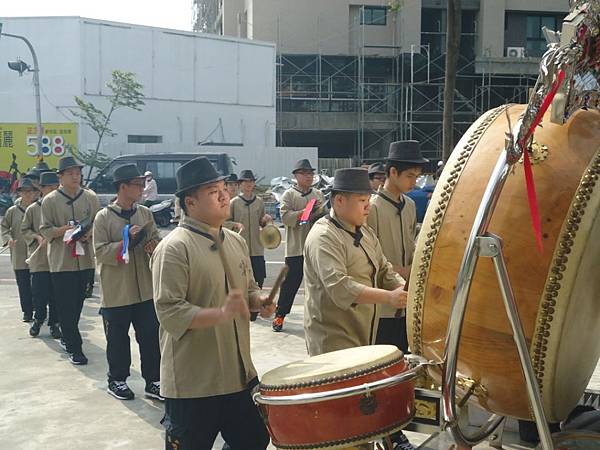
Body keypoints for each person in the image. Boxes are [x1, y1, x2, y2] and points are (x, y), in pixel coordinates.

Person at [151, 156, 275, 450]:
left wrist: (260, 301)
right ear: (190, 202)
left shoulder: (235, 242)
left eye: (223, 188)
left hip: (239, 376)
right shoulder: (174, 248)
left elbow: (247, 292)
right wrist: (220, 313)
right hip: (194, 384)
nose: (224, 196)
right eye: (213, 192)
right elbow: (170, 312)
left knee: (255, 440)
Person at [303, 168, 406, 355]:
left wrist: (403, 287)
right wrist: (388, 297)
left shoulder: (365, 232)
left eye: (368, 200)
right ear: (339, 200)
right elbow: (339, 286)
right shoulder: (324, 236)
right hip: (333, 342)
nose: (368, 207)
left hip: (363, 335)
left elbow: (384, 269)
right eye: (362, 201)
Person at [93, 164, 163, 401]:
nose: (142, 188)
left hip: (145, 288)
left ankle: (154, 380)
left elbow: (155, 238)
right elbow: (100, 252)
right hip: (117, 291)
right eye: (137, 184)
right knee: (118, 339)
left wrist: (153, 245)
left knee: (150, 336)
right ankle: (117, 379)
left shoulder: (144, 213)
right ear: (122, 187)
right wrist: (125, 242)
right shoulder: (103, 217)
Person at [368, 141, 427, 355]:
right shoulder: (372, 208)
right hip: (382, 304)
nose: (414, 181)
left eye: (417, 176)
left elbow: (412, 244)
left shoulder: (410, 206)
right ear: (393, 172)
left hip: (405, 303)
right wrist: (400, 271)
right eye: (410, 175)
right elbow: (367, 257)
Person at [40, 156, 101, 365]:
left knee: (78, 303)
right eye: (71, 173)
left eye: (78, 173)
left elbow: (97, 222)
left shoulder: (90, 197)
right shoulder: (50, 201)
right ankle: (75, 348)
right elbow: (45, 229)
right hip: (61, 262)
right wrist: (63, 231)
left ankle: (67, 335)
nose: (76, 177)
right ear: (61, 177)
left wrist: (88, 233)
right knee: (66, 305)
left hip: (85, 260)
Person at [273, 159, 326, 332]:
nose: (309, 177)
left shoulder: (317, 194)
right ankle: (280, 315)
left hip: (316, 247)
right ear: (296, 176)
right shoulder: (289, 195)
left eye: (311, 173)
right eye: (304, 173)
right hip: (296, 248)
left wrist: (319, 211)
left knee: (319, 284)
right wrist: (303, 213)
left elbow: (324, 217)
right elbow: (285, 218)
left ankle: (320, 318)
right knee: (290, 284)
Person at [21, 171, 62, 338]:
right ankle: (38, 320)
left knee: (55, 295)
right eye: (50, 187)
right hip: (39, 259)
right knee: (39, 293)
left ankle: (54, 324)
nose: (54, 190)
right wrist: (37, 237)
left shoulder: (61, 207)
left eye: (56, 187)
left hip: (58, 259)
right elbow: (24, 229)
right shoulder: (33, 209)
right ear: (42, 189)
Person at [1, 178, 38, 322]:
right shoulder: (13, 211)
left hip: (36, 252)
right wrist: (8, 239)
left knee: (37, 284)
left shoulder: (39, 209)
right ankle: (27, 311)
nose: (28, 194)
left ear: (35, 193)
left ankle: (38, 308)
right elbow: (4, 227)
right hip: (19, 252)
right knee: (23, 284)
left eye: (31, 191)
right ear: (19, 193)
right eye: (24, 191)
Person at [229, 169, 272, 290]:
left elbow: (262, 223)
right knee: (241, 281)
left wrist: (266, 220)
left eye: (251, 181)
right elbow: (224, 223)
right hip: (239, 248)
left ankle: (255, 306)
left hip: (257, 248)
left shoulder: (259, 202)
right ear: (240, 184)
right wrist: (235, 224)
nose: (249, 184)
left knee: (259, 279)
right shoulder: (234, 203)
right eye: (245, 181)